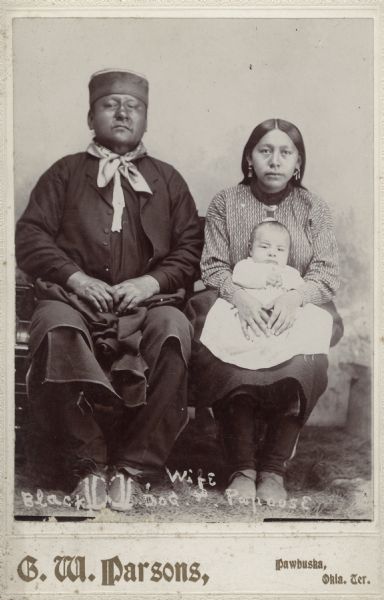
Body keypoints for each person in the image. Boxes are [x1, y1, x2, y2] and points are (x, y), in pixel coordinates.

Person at [15, 69, 203, 511]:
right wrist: (76, 278)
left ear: (145, 120)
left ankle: (133, 468)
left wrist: (149, 282)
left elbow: (190, 247)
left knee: (174, 329)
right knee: (56, 327)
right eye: (110, 104)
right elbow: (30, 237)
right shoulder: (63, 174)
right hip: (74, 301)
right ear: (90, 115)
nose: (122, 113)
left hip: (148, 304)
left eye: (133, 106)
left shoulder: (169, 181)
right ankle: (86, 467)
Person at [186, 118, 342, 504]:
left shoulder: (313, 207)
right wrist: (241, 298)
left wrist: (294, 298)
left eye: (285, 152)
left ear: (298, 163)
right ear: (249, 158)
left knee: (306, 364)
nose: (275, 160)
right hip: (235, 303)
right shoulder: (225, 201)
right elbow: (214, 265)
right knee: (227, 362)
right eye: (265, 150)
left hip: (296, 305)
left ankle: (273, 468)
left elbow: (326, 271)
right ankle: (243, 467)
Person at [200, 220, 333, 369]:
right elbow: (238, 277)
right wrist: (263, 278)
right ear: (251, 249)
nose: (272, 252)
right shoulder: (247, 265)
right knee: (226, 321)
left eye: (280, 250)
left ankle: (289, 352)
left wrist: (288, 288)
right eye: (264, 247)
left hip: (280, 315)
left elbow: (299, 289)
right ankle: (244, 354)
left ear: (288, 254)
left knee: (320, 317)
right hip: (248, 309)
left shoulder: (289, 272)